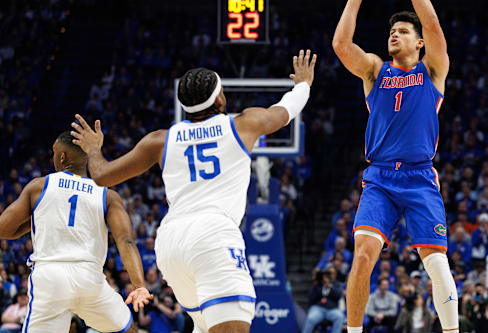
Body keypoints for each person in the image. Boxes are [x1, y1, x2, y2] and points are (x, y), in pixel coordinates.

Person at [70, 51, 316, 333]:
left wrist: (93, 150)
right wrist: (303, 84)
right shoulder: (242, 124)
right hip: (212, 235)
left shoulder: (160, 140)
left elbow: (101, 175)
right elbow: (284, 112)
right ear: (220, 98)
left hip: (171, 243)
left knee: (204, 326)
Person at [332, 0, 455, 333]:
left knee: (436, 263)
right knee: (363, 255)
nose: (394, 35)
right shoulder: (374, 70)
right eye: (392, 32)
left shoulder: (433, 71)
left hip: (420, 176)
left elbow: (432, 23)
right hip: (381, 177)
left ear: (419, 43)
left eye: (403, 31)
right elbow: (340, 45)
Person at [0, 132, 151, 332]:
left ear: (62, 157)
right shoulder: (107, 195)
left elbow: (4, 228)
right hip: (89, 279)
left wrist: (41, 216)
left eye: (54, 152)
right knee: (128, 329)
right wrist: (139, 285)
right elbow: (126, 241)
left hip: (50, 277)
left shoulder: (40, 186)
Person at [302, 268, 344, 333]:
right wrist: (315, 284)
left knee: (339, 317)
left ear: (335, 274)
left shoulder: (336, 284)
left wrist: (329, 285)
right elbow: (311, 297)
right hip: (318, 309)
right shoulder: (318, 284)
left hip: (332, 309)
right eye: (327, 274)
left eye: (331, 274)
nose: (329, 276)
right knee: (310, 318)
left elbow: (338, 296)